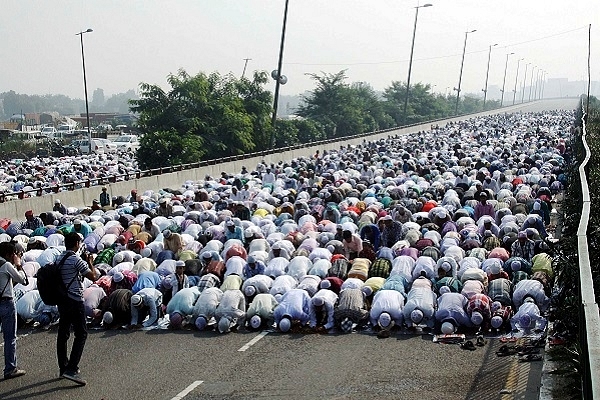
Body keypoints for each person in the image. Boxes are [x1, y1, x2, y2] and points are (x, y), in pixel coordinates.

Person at [56, 232, 98, 386]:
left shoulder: (59, 258)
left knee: (63, 334)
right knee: (81, 333)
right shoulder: (75, 259)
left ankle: (63, 367)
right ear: (76, 244)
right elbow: (93, 277)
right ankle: (72, 368)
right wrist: (90, 262)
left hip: (62, 301)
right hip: (75, 300)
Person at [0, 241, 28, 379]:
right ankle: (10, 368)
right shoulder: (6, 265)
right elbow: (23, 280)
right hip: (6, 303)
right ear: (9, 254)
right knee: (10, 337)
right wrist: (18, 264)